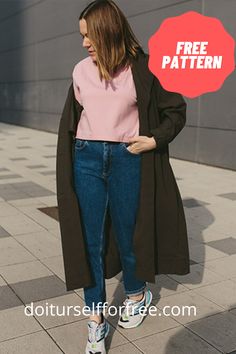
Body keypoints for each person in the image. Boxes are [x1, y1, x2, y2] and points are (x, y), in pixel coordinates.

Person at [56, 1, 189, 353]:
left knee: (131, 233)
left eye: (89, 35)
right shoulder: (81, 70)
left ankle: (136, 292)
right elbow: (74, 121)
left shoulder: (143, 68)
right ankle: (95, 320)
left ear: (108, 31)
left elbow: (175, 110)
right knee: (91, 240)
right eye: (82, 35)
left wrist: (155, 139)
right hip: (86, 157)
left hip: (127, 158)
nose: (84, 42)